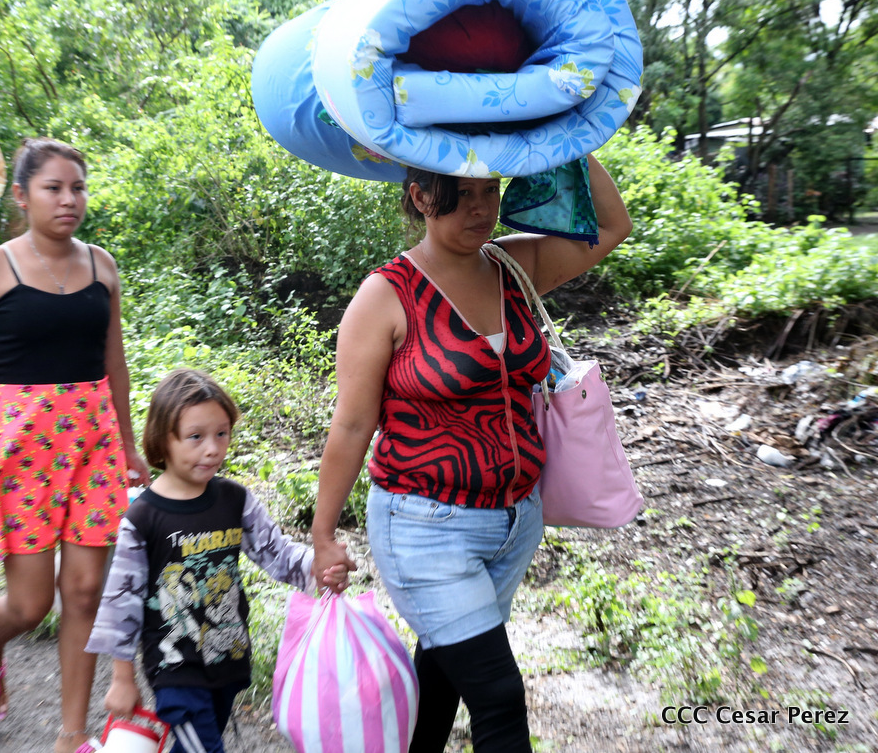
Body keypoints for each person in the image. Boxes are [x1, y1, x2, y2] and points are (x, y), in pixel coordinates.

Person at [311, 153, 632, 752]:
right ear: (420, 196)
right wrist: (323, 532)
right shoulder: (386, 295)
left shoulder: (514, 266)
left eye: (489, 189)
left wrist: (564, 137)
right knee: (498, 695)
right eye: (460, 194)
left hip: (515, 523)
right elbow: (352, 425)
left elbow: (612, 226)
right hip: (424, 525)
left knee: (443, 675)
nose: (481, 208)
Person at [0, 137, 148, 752]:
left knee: (83, 591)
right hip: (20, 449)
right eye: (53, 188)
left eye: (77, 187)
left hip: (93, 444)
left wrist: (129, 444)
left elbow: (114, 361)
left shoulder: (102, 266)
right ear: (22, 196)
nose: (68, 199)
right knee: (28, 606)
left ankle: (72, 735)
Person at [86, 368, 348, 753]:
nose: (212, 448)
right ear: (163, 439)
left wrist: (319, 566)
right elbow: (121, 601)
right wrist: (122, 677)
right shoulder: (143, 518)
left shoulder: (234, 500)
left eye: (221, 434)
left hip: (227, 657)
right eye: (196, 437)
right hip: (175, 668)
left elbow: (276, 553)